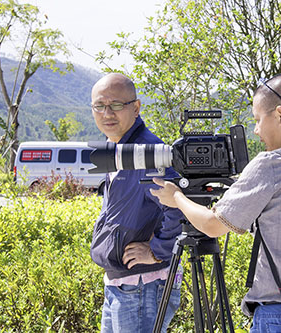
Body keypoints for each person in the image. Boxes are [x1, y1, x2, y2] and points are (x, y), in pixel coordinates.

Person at [150, 73, 281, 332]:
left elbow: (212, 225)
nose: (256, 130)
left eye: (257, 120)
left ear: (280, 115)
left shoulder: (271, 164)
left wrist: (176, 197)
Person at [89, 73, 183, 333]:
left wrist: (157, 250)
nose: (107, 113)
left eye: (117, 105)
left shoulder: (146, 152)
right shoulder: (117, 149)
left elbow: (178, 204)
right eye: (100, 105)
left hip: (143, 285)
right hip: (123, 283)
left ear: (136, 107)